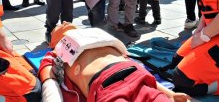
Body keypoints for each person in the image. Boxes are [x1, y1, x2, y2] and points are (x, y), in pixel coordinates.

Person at [38, 22, 191, 102]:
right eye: (57, 26)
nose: (64, 22)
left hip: (136, 76)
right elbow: (49, 85)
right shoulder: (55, 54)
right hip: (106, 84)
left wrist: (170, 94)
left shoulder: (96, 37)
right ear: (53, 42)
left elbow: (134, 65)